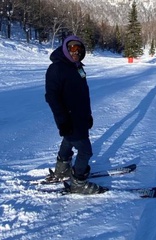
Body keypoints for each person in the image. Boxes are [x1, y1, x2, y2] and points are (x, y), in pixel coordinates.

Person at [45, 35, 104, 195]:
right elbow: (52, 97)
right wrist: (62, 119)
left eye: (79, 49)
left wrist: (88, 115)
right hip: (68, 117)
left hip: (80, 116)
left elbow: (84, 94)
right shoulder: (56, 68)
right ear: (65, 48)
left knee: (69, 140)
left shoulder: (78, 68)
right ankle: (79, 182)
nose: (75, 51)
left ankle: (62, 170)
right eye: (71, 48)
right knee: (85, 151)